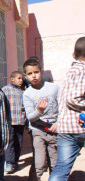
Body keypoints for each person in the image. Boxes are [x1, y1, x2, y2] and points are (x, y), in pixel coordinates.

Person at [49, 37, 85, 181]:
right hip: (78, 126)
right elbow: (73, 98)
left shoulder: (73, 70)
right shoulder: (82, 70)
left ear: (73, 54)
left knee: (61, 168)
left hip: (65, 127)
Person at [23, 58, 59, 181]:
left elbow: (62, 108)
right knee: (39, 164)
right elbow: (30, 117)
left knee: (55, 164)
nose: (33, 76)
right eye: (29, 73)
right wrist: (38, 111)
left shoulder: (54, 88)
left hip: (54, 131)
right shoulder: (27, 94)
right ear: (25, 76)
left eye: (36, 72)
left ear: (41, 71)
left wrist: (58, 123)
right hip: (38, 132)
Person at [2, 71, 26, 173]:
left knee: (18, 142)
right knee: (10, 142)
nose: (21, 80)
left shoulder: (23, 92)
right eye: (19, 78)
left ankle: (15, 162)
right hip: (9, 121)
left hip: (20, 121)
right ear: (12, 79)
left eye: (22, 78)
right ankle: (9, 163)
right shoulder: (5, 90)